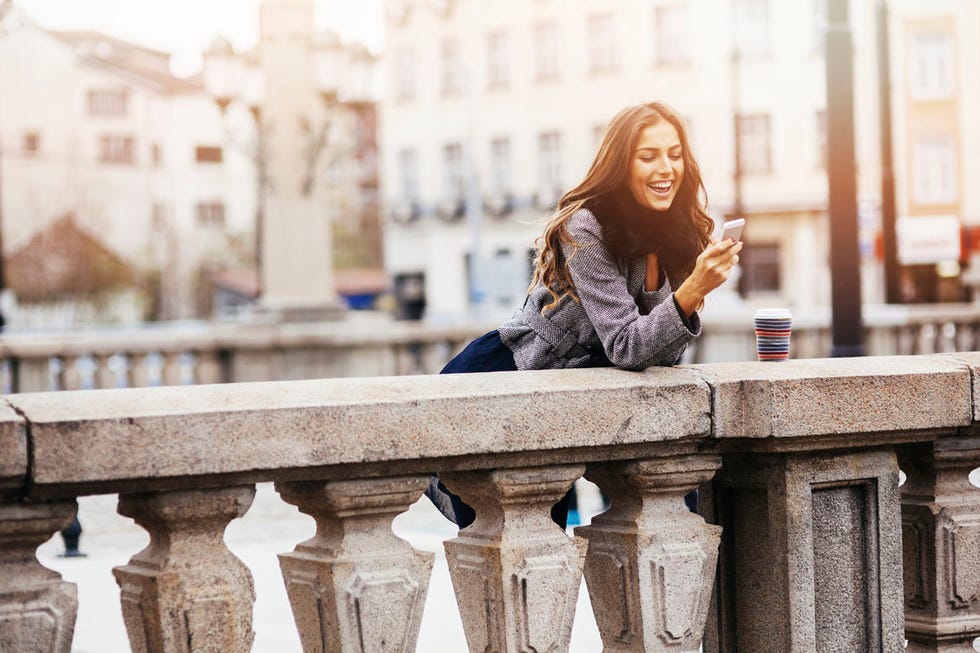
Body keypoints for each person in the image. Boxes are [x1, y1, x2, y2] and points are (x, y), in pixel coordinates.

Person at [427, 101, 742, 528]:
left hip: (576, 397)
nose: (665, 167)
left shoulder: (672, 231)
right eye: (647, 156)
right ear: (621, 164)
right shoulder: (586, 226)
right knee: (531, 541)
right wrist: (692, 290)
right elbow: (627, 345)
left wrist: (676, 285)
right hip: (515, 377)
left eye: (674, 153)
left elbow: (656, 354)